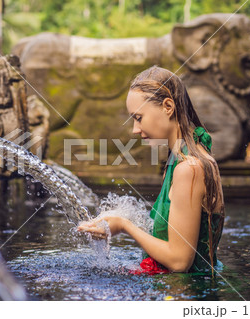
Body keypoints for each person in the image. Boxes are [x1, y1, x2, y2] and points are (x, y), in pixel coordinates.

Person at [78, 66, 225, 274]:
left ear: (168, 106)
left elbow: (179, 261)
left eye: (138, 118)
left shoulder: (189, 168)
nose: (135, 130)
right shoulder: (179, 160)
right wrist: (116, 217)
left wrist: (124, 225)